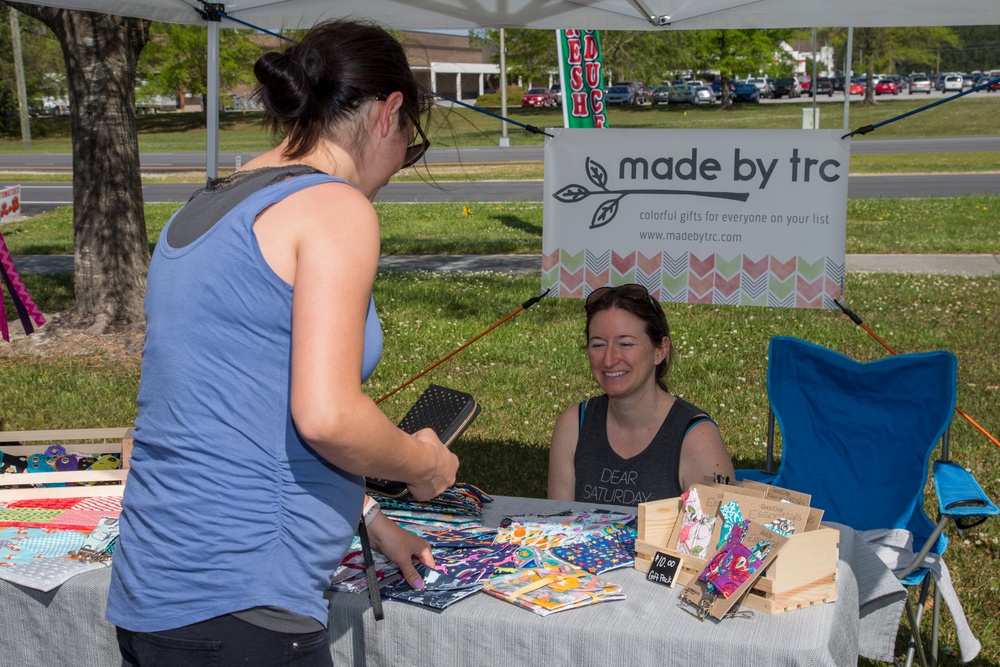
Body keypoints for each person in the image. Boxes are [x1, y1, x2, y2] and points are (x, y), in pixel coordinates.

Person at [106, 19, 459, 667]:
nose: (398, 169)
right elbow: (326, 416)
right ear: (390, 113)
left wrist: (374, 521)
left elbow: (235, 409)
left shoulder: (205, 206)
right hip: (242, 604)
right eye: (412, 145)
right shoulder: (334, 207)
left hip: (153, 592)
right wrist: (422, 461)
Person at [548, 284, 734, 505]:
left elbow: (720, 536)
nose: (609, 360)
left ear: (660, 350)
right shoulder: (574, 426)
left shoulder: (696, 438)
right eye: (598, 345)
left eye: (625, 343)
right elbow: (557, 527)